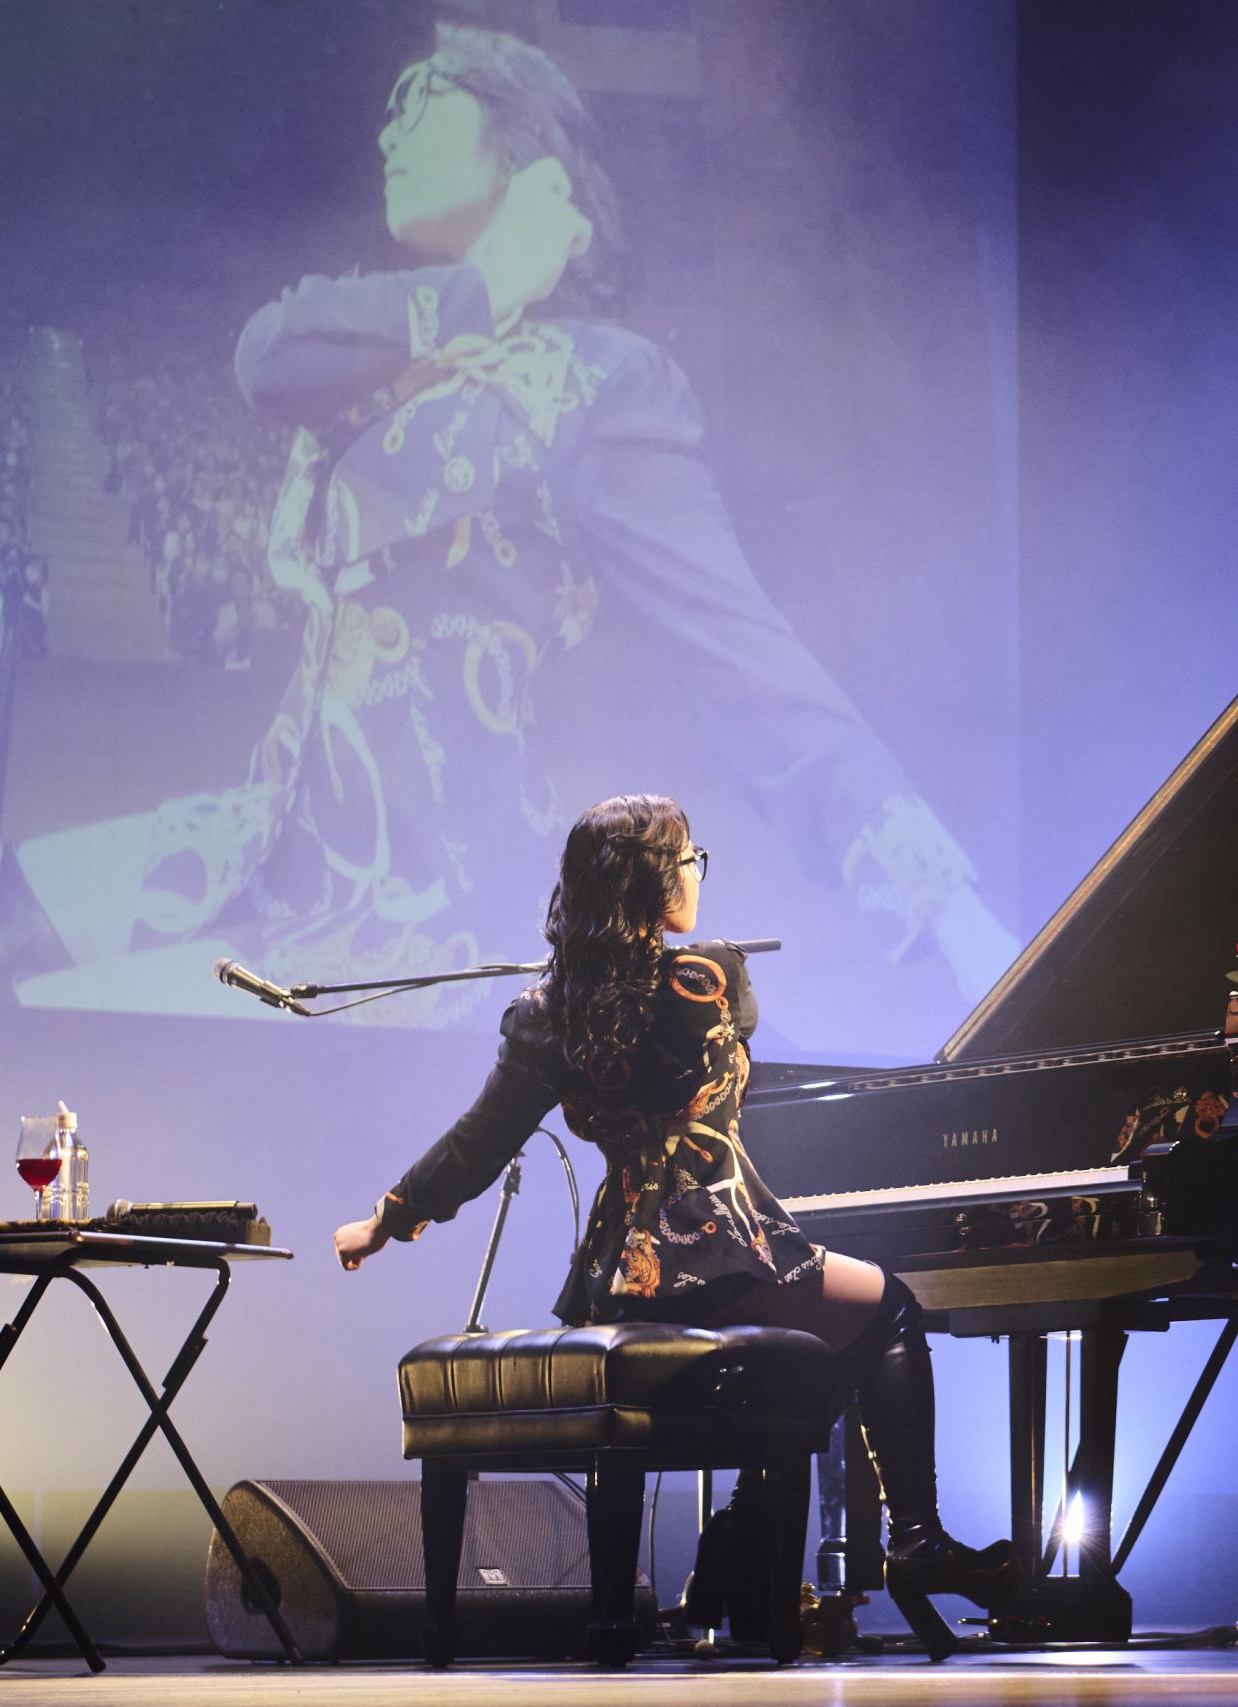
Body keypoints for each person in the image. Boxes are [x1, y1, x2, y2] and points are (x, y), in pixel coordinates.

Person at [100, 20, 1012, 1025]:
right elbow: (263, 356)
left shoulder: (598, 381)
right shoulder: (395, 340)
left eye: (423, 99)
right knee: (10, 904)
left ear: (518, 143)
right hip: (271, 845)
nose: (388, 129)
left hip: (440, 907)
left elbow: (737, 648)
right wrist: (486, 284)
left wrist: (944, 902)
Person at [332, 793, 1009, 1615]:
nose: (696, 872)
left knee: (813, 1352)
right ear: (654, 881)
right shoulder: (714, 975)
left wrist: (386, 1220)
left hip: (620, 1275)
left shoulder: (546, 1016)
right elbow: (739, 1026)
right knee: (888, 1309)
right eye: (689, 858)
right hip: (714, 1253)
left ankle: (732, 1558)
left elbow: (475, 1146)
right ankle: (917, 1541)